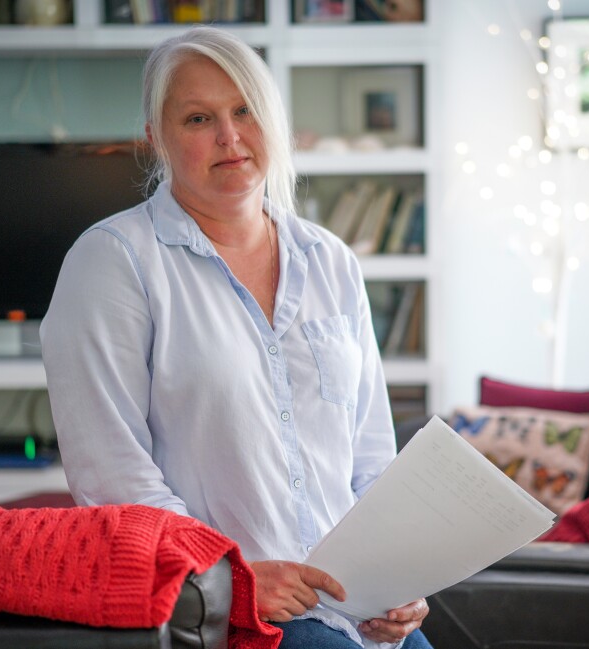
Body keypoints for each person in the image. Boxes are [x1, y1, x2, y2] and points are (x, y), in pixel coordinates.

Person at [40, 25, 432, 649]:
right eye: (198, 118)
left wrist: (400, 580)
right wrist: (232, 577)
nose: (230, 137)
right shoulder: (113, 262)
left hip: (358, 608)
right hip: (231, 617)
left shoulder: (331, 260)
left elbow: (370, 460)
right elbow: (111, 476)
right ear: (155, 138)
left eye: (245, 110)